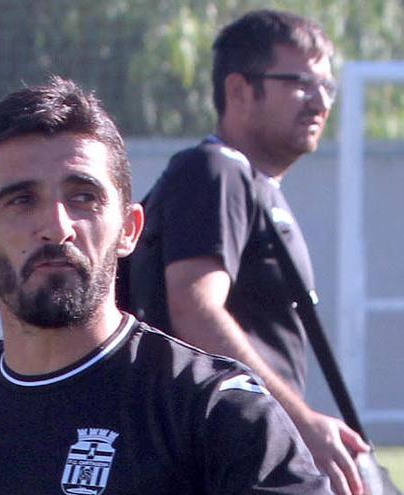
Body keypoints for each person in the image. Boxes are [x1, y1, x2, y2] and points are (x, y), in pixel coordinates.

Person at [0, 76, 329, 494]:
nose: (57, 226)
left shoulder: (213, 411)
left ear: (129, 229)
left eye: (83, 197)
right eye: (20, 200)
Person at [121, 10, 369, 495]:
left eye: (327, 86)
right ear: (239, 91)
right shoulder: (215, 170)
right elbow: (195, 308)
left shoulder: (250, 183)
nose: (320, 100)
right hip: (222, 457)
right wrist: (298, 423)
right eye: (299, 82)